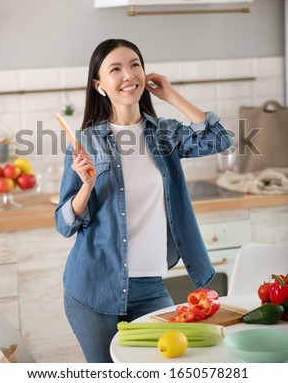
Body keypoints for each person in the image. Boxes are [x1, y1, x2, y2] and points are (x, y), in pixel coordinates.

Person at [55, 38, 233, 363]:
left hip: (150, 287)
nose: (129, 74)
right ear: (99, 85)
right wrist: (86, 186)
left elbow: (219, 139)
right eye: (116, 69)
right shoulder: (86, 142)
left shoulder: (164, 133)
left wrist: (170, 95)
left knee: (163, 368)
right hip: (93, 287)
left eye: (135, 64)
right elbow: (64, 223)